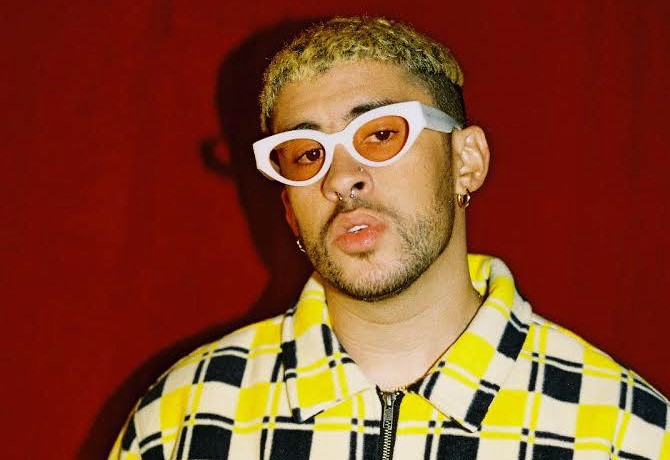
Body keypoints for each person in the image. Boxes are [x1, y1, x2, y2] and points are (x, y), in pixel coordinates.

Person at [109, 17, 669, 460]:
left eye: (379, 134)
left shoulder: (627, 431)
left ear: (466, 161)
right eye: (306, 154)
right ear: (289, 209)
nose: (339, 177)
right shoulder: (183, 417)